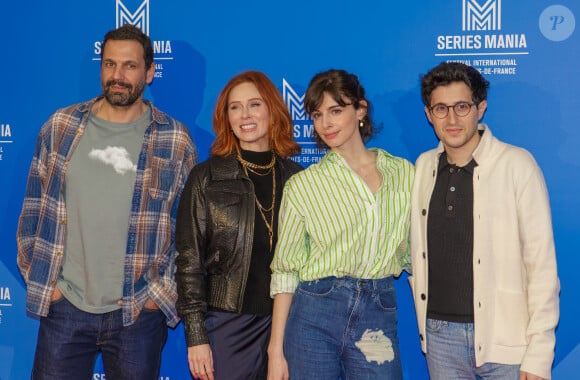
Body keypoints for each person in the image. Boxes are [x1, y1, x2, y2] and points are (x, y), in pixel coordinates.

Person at [16, 24, 197, 379]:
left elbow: (187, 231)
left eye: (130, 66)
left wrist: (159, 295)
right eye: (110, 64)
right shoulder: (61, 126)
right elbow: (33, 209)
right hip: (64, 305)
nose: (118, 76)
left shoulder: (175, 139)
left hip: (137, 312)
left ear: (149, 72)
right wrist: (42, 280)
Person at [409, 62, 559, 380]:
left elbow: (542, 267)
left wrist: (539, 354)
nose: (451, 119)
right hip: (440, 338)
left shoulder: (516, 164)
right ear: (428, 114)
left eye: (462, 106)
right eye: (441, 108)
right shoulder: (423, 167)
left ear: (480, 108)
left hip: (507, 340)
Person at [268, 69, 414, 380]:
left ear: (360, 110)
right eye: (318, 114)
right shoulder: (303, 186)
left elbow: (414, 258)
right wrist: (275, 351)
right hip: (314, 312)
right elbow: (285, 272)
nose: (326, 123)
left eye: (336, 110)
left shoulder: (404, 174)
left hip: (378, 312)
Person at [175, 70, 302, 380]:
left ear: (273, 111)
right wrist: (196, 337)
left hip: (289, 325)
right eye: (235, 107)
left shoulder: (297, 177)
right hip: (228, 326)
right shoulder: (206, 178)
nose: (245, 114)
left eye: (255, 104)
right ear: (226, 117)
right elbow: (189, 261)